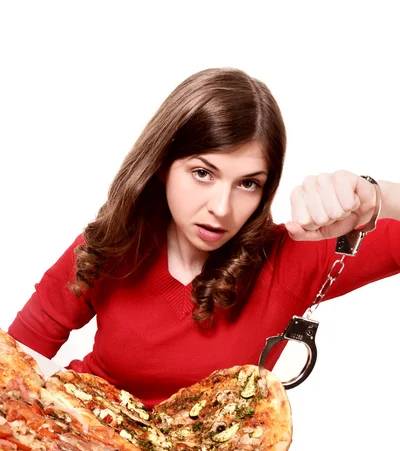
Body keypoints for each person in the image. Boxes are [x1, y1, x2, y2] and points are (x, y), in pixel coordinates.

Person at [8, 67, 400, 409]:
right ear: (162, 165)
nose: (222, 207)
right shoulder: (111, 245)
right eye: (203, 173)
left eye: (248, 183)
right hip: (81, 448)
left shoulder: (292, 259)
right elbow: (18, 358)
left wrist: (376, 195)